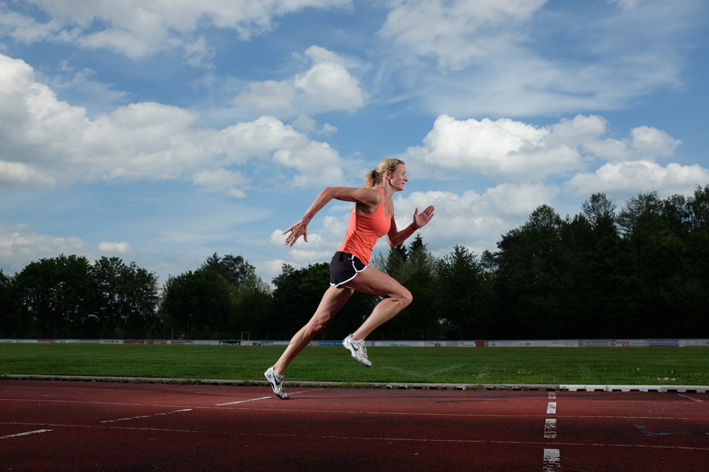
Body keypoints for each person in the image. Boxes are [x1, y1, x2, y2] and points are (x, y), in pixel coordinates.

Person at [264, 158, 435, 399]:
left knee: (317, 324)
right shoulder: (373, 195)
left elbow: (393, 240)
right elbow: (330, 191)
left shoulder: (389, 205)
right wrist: (305, 220)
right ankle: (356, 339)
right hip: (349, 262)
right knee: (403, 296)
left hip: (351, 266)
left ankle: (276, 370)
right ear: (388, 175)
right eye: (403, 173)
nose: (407, 178)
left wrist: (414, 227)